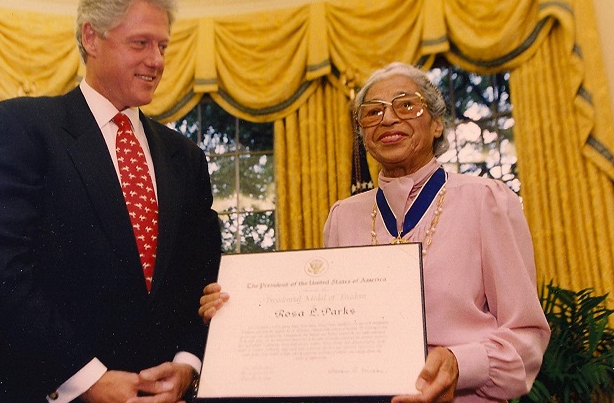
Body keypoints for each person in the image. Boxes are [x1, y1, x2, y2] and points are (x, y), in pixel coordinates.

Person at [199, 62, 550, 402]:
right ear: (363, 134)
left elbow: (526, 338)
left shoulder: (486, 201)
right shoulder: (343, 217)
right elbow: (323, 324)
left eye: (406, 105)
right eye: (372, 112)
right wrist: (239, 313)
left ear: (437, 123)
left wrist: (461, 364)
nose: (388, 118)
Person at [0, 0, 222, 402]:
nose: (157, 60)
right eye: (141, 43)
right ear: (91, 38)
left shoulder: (185, 158)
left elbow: (205, 277)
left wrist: (188, 364)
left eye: (163, 46)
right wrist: (87, 380)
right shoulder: (24, 127)